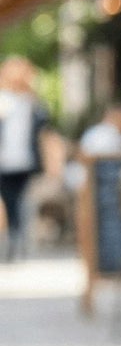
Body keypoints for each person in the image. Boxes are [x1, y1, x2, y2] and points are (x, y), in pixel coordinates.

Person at [0, 56, 54, 260]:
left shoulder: (33, 103)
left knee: (23, 203)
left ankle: (20, 242)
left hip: (26, 161)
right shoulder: (2, 100)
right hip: (4, 160)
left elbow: (44, 134)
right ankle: (11, 241)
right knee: (8, 202)